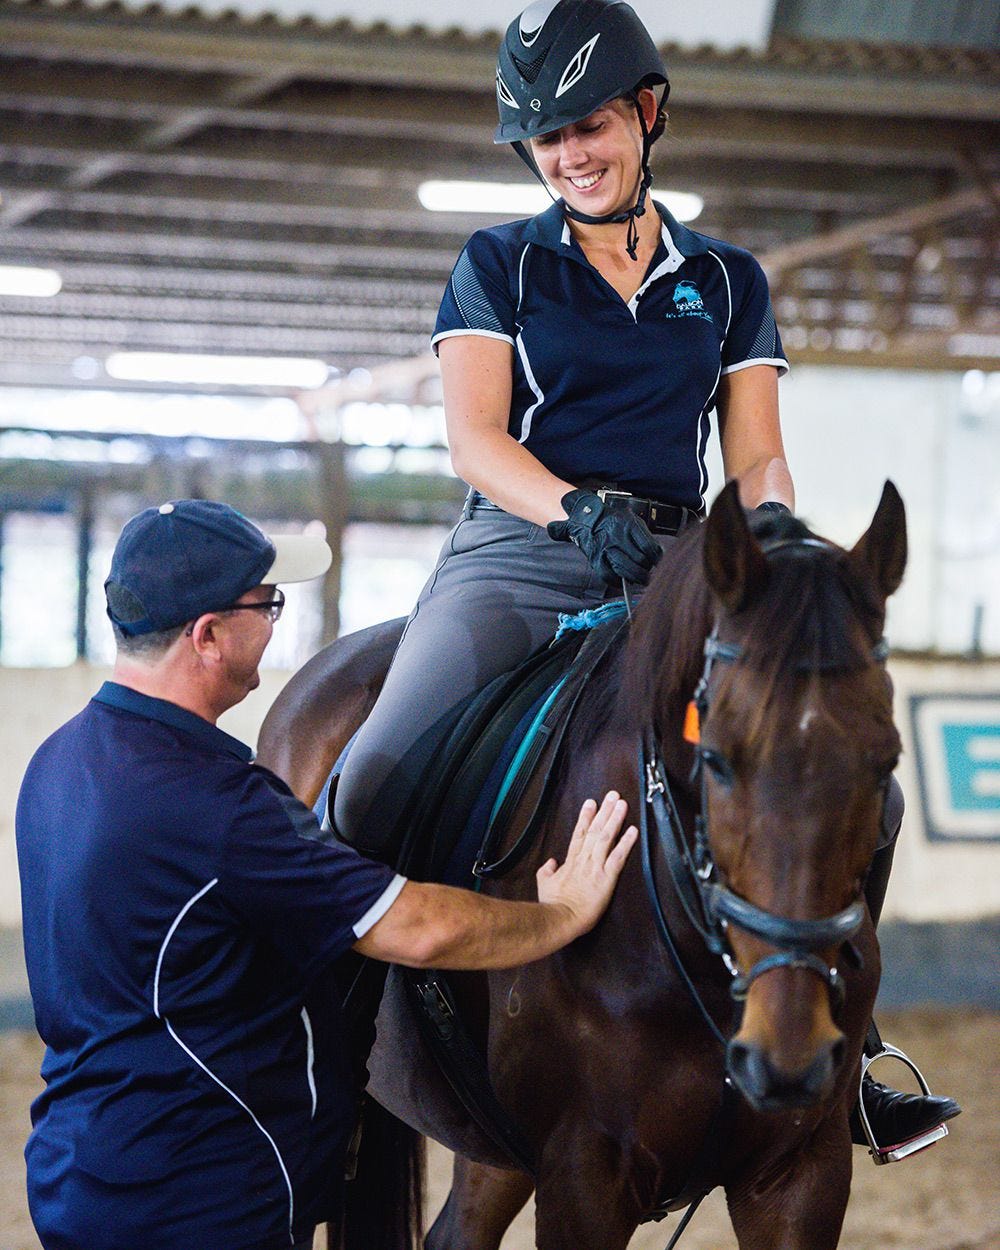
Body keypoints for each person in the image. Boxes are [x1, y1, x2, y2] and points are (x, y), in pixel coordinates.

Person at [333, 0, 958, 1162]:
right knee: (371, 775)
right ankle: (334, 1034)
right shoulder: (497, 265)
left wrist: (780, 552)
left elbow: (755, 451)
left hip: (688, 565)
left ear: (646, 114)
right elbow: (473, 440)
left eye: (591, 124)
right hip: (520, 551)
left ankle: (855, 1057)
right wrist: (576, 507)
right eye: (548, 137)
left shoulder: (723, 281)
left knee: (840, 773)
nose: (571, 153)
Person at [15, 498, 638, 1250]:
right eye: (267, 604)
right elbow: (416, 927)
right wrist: (561, 915)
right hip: (198, 1198)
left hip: (81, 1172)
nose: (276, 625)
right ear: (208, 635)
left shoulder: (57, 760)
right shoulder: (218, 807)